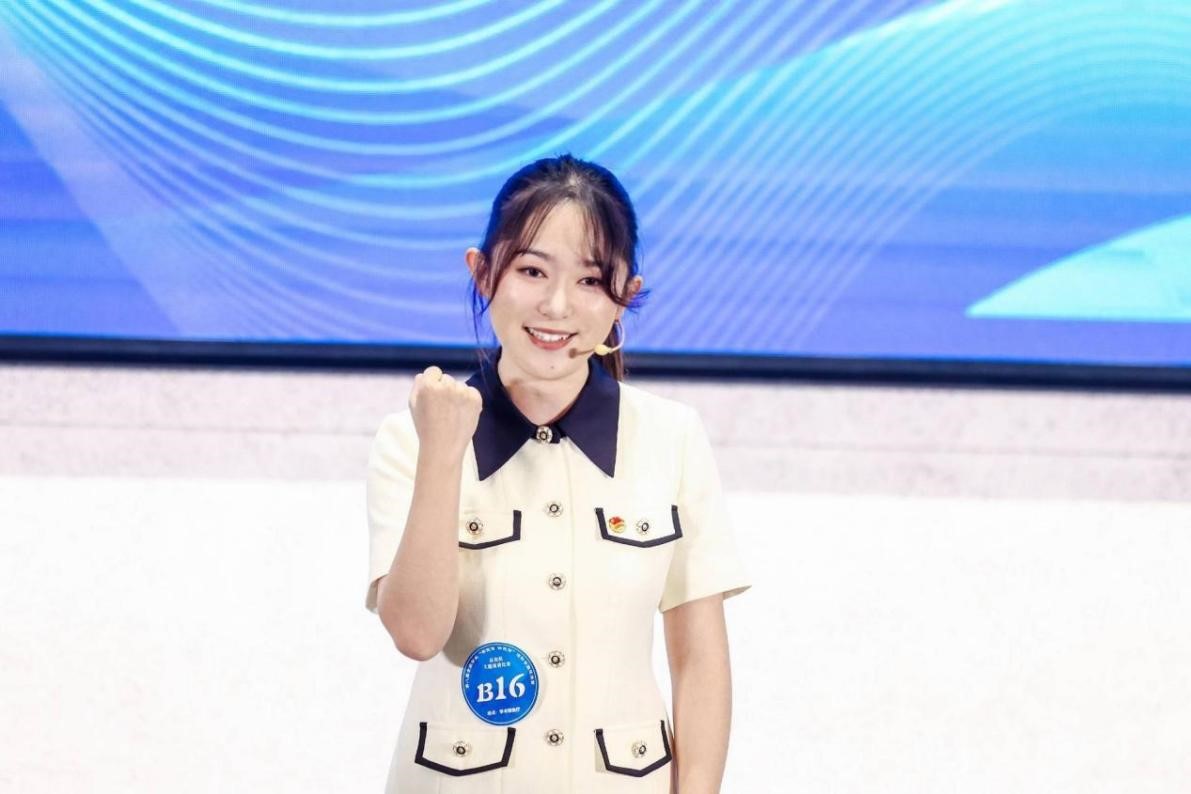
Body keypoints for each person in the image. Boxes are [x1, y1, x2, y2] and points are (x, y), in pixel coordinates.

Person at [365, 154, 751, 793]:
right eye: (532, 270)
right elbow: (416, 632)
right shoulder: (411, 438)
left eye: (591, 280)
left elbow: (699, 661)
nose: (556, 305)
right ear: (483, 272)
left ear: (625, 294)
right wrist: (444, 455)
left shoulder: (672, 437)